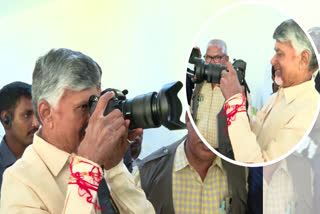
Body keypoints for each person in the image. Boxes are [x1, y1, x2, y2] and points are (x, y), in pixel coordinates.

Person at [1, 48, 155, 214]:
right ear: (46, 113)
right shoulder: (21, 182)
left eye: (95, 104)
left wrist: (114, 167)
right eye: (83, 107)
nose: (95, 117)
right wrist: (87, 167)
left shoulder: (102, 160)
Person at [220, 19, 319, 163]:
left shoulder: (309, 110)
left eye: (280, 54)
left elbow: (257, 164)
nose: (272, 61)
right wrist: (241, 104)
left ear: (304, 59)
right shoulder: (276, 97)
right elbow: (254, 136)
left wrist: (234, 102)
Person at [132, 112, 247, 214]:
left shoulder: (242, 172)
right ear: (188, 118)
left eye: (218, 127)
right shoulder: (145, 175)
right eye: (202, 124)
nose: (208, 137)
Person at [191, 39, 234, 159]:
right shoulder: (199, 85)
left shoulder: (234, 88)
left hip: (222, 156)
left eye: (216, 58)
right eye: (208, 58)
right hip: (197, 152)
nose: (210, 63)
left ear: (226, 59)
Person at [0, 81, 39, 194]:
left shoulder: (48, 159)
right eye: (27, 115)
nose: (36, 123)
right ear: (6, 119)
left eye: (37, 114)